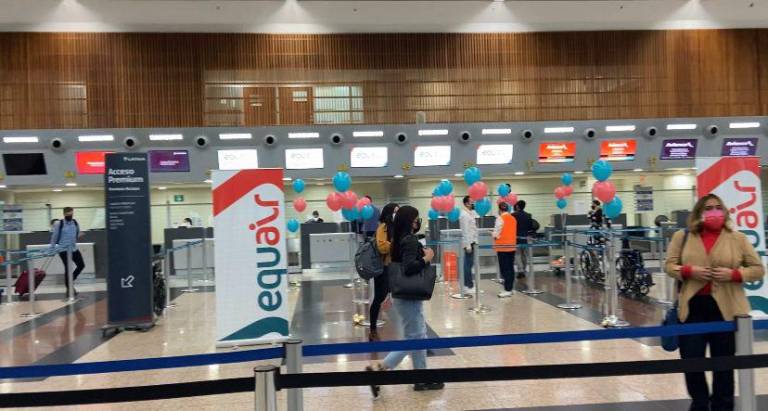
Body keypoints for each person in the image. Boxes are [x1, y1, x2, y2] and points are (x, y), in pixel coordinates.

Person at [665, 194, 764, 411]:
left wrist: (734, 274)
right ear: (699, 212)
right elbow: (669, 266)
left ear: (725, 212)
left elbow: (758, 269)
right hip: (693, 308)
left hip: (726, 309)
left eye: (718, 207)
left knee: (724, 364)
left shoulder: (737, 238)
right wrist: (690, 271)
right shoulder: (682, 237)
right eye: (708, 208)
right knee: (692, 361)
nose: (714, 211)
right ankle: (699, 403)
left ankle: (723, 405)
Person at [366, 205, 443, 396]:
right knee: (414, 338)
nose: (418, 222)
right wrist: (427, 258)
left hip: (403, 295)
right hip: (409, 296)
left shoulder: (398, 239)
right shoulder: (408, 240)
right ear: (409, 221)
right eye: (416, 219)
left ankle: (420, 378)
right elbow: (408, 267)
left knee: (418, 336)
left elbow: (397, 267)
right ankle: (381, 369)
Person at [369, 202, 399, 341]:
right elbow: (381, 247)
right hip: (383, 267)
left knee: (397, 296)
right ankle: (373, 329)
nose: (397, 214)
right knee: (379, 297)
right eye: (395, 211)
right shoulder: (383, 227)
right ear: (388, 213)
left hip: (396, 266)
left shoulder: (398, 227)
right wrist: (395, 244)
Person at [49, 207, 85, 296]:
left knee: (81, 265)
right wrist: (51, 249)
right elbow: (54, 237)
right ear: (64, 214)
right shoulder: (59, 224)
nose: (70, 216)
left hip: (73, 248)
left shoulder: (75, 222)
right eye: (68, 214)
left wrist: (78, 235)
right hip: (63, 250)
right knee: (68, 268)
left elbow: (77, 233)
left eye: (71, 214)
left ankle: (70, 281)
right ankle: (69, 289)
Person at [493, 202, 517, 298]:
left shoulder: (500, 218)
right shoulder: (513, 218)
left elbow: (496, 233)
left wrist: (492, 233)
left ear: (500, 209)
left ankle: (507, 290)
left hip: (502, 247)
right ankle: (510, 288)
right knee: (510, 268)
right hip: (512, 247)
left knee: (504, 269)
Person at [459, 196, 478, 293]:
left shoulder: (470, 213)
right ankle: (468, 286)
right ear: (466, 203)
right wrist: (468, 245)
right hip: (468, 243)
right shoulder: (464, 215)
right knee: (467, 265)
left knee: (470, 264)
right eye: (471, 202)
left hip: (473, 241)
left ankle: (468, 284)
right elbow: (465, 231)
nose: (473, 203)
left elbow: (474, 226)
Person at [513, 200, 534, 279]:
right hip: (526, 237)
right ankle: (524, 269)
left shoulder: (513, 215)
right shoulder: (528, 215)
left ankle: (520, 270)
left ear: (517, 206)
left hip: (516, 237)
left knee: (517, 254)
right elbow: (531, 228)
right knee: (524, 254)